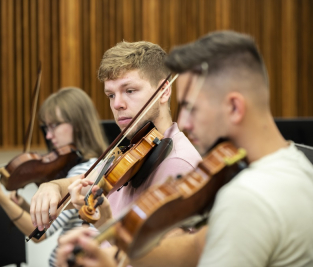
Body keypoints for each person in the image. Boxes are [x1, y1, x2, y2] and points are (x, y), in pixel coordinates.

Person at [57, 31, 313, 267]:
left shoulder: (248, 198)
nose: (183, 122)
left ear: (234, 107)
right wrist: (111, 230)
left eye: (192, 108)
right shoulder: (299, 165)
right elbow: (193, 248)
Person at [29, 41, 201, 234]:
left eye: (130, 91)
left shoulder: (177, 163)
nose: (117, 104)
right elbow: (80, 184)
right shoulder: (130, 152)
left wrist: (105, 225)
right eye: (111, 95)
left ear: (164, 91)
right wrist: (51, 187)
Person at [0, 87, 108, 267]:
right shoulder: (84, 165)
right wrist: (26, 206)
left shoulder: (84, 170)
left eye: (55, 125)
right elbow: (55, 217)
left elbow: (39, 233)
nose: (49, 136)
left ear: (78, 123)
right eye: (46, 127)